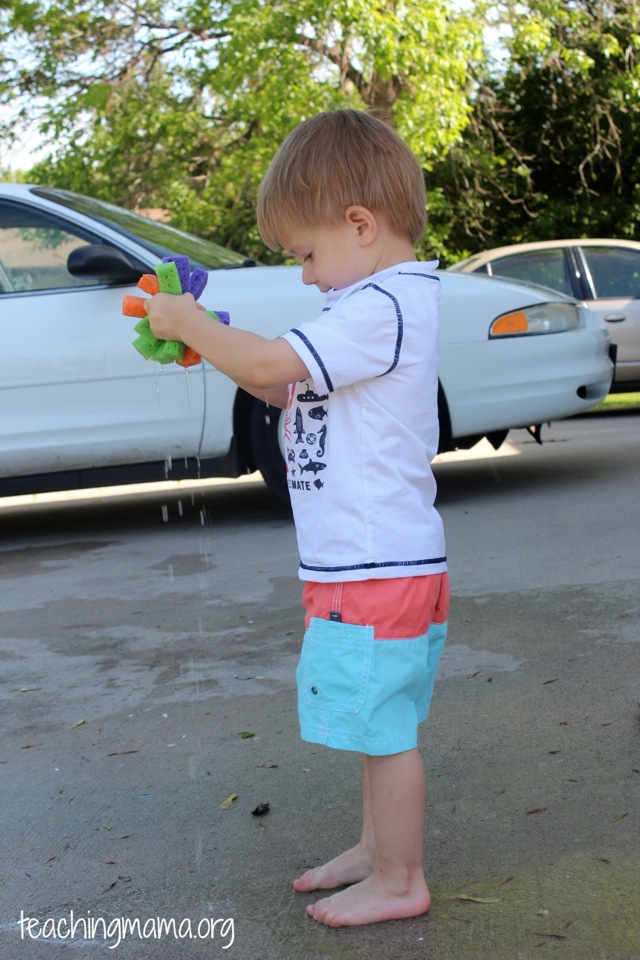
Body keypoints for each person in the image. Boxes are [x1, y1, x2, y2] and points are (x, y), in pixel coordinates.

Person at [145, 109, 449, 928]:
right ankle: (375, 849)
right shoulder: (370, 302)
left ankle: (400, 877)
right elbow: (280, 381)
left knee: (383, 728)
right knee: (370, 715)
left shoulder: (380, 304)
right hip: (369, 562)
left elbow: (277, 363)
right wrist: (215, 342)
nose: (308, 276)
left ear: (360, 224)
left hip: (375, 564)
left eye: (308, 254)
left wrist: (197, 327)